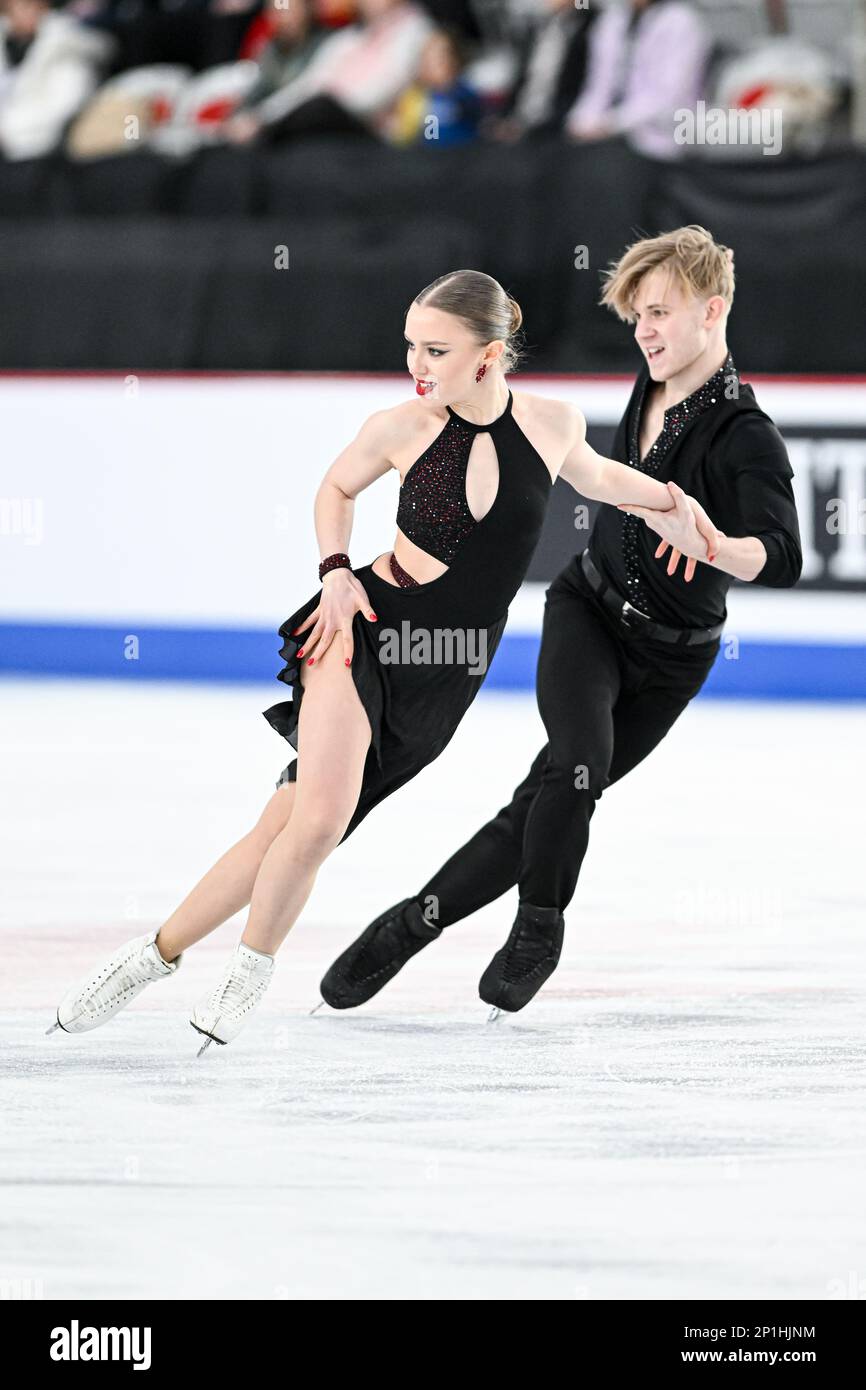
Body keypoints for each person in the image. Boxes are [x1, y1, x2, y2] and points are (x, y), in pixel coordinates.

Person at [48, 267, 721, 1053]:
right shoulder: (399, 427)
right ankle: (246, 976)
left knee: (287, 828)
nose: (419, 365)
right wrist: (334, 574)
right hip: (364, 625)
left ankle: (149, 957)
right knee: (323, 817)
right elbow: (335, 489)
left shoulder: (553, 423)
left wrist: (676, 506)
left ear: (489, 354)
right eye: (412, 347)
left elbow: (603, 480)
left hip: (447, 670)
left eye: (436, 349)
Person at [319, 226, 803, 1016]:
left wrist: (718, 545)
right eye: (637, 315)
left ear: (713, 312)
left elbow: (780, 556)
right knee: (578, 764)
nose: (643, 331)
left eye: (661, 313)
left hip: (674, 660)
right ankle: (540, 928)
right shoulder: (650, 388)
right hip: (586, 611)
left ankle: (411, 925)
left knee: (546, 801)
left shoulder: (744, 432)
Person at [564, 0, 710, 160]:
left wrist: (608, 125)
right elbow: (598, 85)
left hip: (657, 139)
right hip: (605, 136)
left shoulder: (682, 23)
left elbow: (666, 98)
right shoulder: (612, 20)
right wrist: (581, 121)